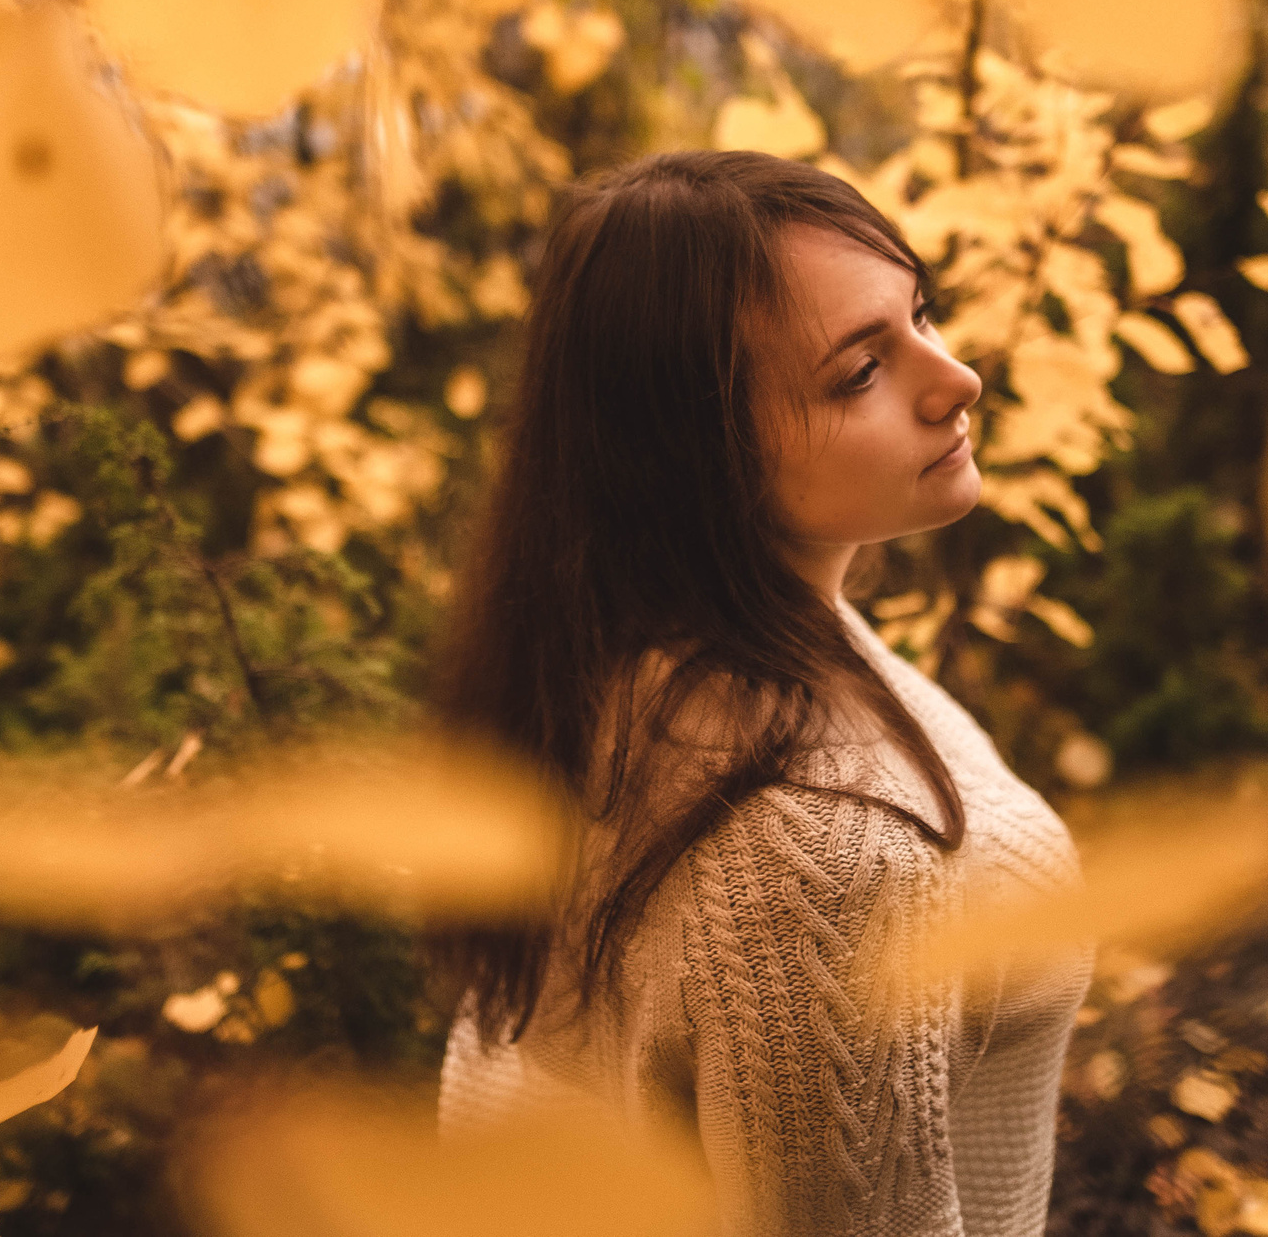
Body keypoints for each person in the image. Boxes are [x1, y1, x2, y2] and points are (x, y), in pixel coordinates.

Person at [433, 149, 1091, 1236]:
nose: (958, 377)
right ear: (699, 453)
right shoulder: (815, 853)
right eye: (860, 371)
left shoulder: (625, 647)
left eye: (920, 314)